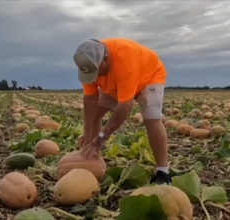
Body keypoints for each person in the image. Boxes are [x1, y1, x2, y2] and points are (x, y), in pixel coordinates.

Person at [73, 37, 171, 185]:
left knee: (152, 118)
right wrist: (87, 134)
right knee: (95, 116)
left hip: (149, 76)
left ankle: (163, 171)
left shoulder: (125, 62)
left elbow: (124, 107)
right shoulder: (87, 64)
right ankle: (93, 160)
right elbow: (90, 101)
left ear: (105, 59)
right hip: (115, 81)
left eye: (96, 72)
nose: (95, 77)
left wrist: (101, 137)